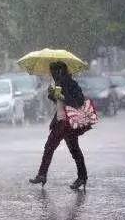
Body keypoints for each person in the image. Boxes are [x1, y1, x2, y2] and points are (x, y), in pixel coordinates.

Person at [29, 61, 89, 191]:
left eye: (54, 71)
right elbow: (59, 103)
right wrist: (52, 95)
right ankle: (82, 177)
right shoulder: (58, 84)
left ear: (60, 71)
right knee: (71, 150)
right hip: (61, 121)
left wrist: (63, 96)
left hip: (67, 123)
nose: (52, 74)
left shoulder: (72, 84)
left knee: (54, 147)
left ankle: (43, 175)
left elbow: (79, 101)